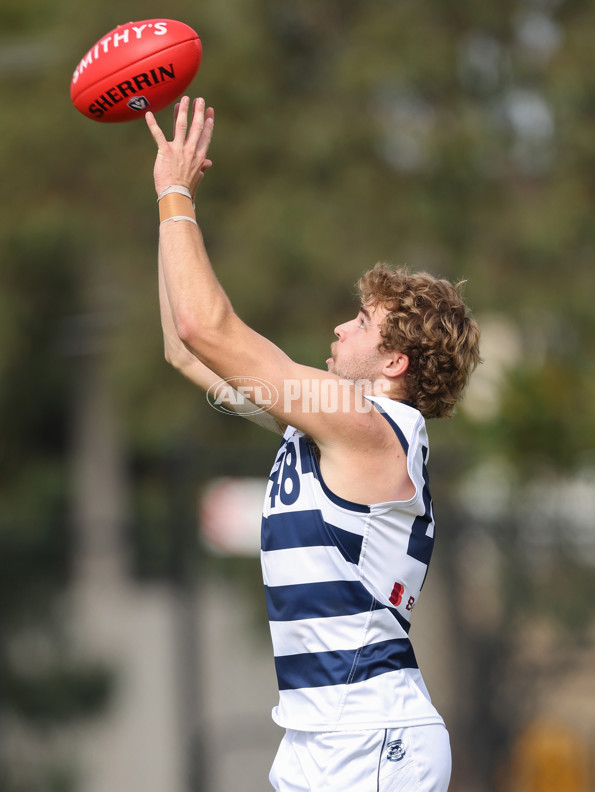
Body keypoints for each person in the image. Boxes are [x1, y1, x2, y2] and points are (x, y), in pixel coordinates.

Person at [146, 97, 481, 792]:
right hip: (316, 742)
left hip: (372, 741)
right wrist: (167, 204)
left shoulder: (366, 429)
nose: (339, 329)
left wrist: (175, 194)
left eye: (361, 321)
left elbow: (208, 327)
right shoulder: (328, 425)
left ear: (394, 363)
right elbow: (185, 348)